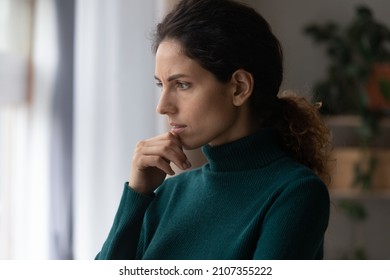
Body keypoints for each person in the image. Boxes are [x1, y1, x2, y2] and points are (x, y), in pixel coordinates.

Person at [95, 0, 331, 260]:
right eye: (161, 85)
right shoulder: (167, 194)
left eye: (182, 85)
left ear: (239, 87)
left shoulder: (295, 194)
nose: (163, 107)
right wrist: (136, 196)